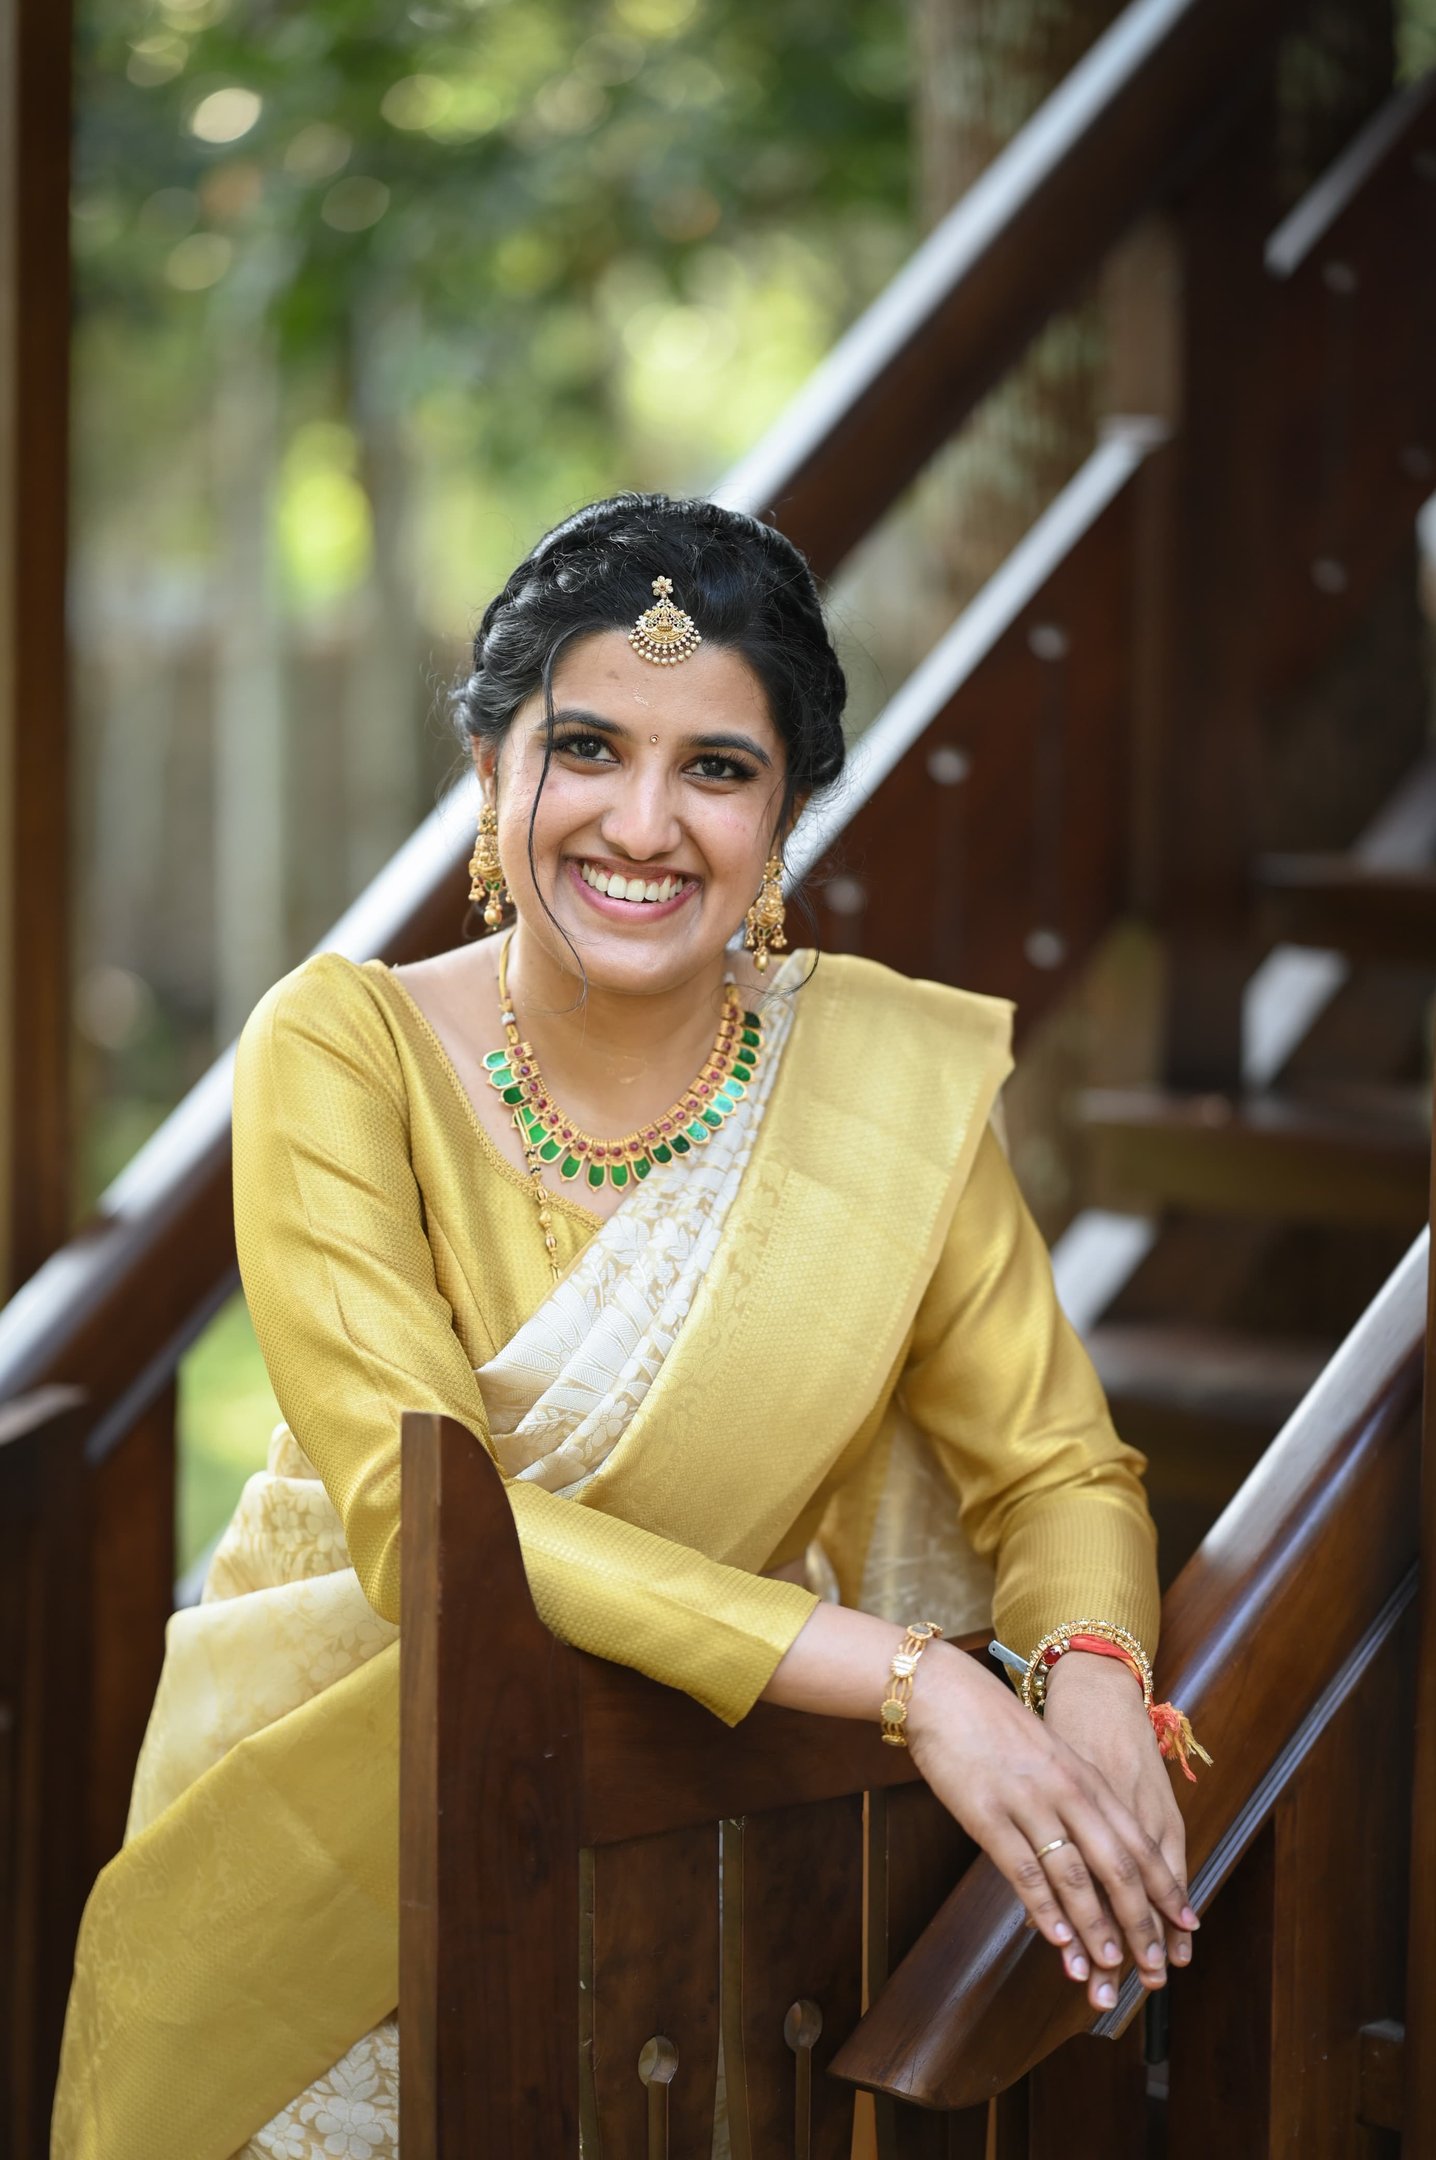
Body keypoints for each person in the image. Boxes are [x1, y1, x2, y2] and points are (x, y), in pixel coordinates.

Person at [53, 493, 1198, 2160]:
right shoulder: (341, 1050)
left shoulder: (881, 1087)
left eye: (718, 770)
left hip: (710, 1870)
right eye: (584, 748)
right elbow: (424, 1524)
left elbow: (1058, 1470)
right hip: (336, 1840)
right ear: (489, 773)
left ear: (786, 815)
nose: (642, 825)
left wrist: (1093, 1682)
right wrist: (926, 1689)